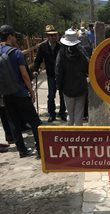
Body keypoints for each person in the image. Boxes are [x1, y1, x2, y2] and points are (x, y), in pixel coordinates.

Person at [0, 25, 40, 158]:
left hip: (6, 94)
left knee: (14, 123)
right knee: (35, 121)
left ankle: (22, 150)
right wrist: (32, 92)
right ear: (10, 36)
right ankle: (40, 148)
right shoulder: (16, 53)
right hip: (20, 93)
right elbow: (24, 75)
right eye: (14, 35)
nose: (16, 38)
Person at [34, 25, 67, 122]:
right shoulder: (43, 47)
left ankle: (62, 113)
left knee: (62, 95)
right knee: (51, 95)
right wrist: (36, 69)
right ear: (47, 36)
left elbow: (65, 60)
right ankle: (51, 114)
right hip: (50, 75)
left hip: (61, 75)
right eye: (51, 35)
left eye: (54, 35)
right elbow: (38, 60)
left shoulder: (61, 47)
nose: (53, 37)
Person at [56, 29, 89, 126]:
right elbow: (87, 68)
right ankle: (79, 136)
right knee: (79, 115)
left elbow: (58, 71)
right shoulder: (81, 52)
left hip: (67, 89)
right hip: (81, 88)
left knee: (70, 114)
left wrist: (59, 86)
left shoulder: (61, 54)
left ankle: (70, 137)